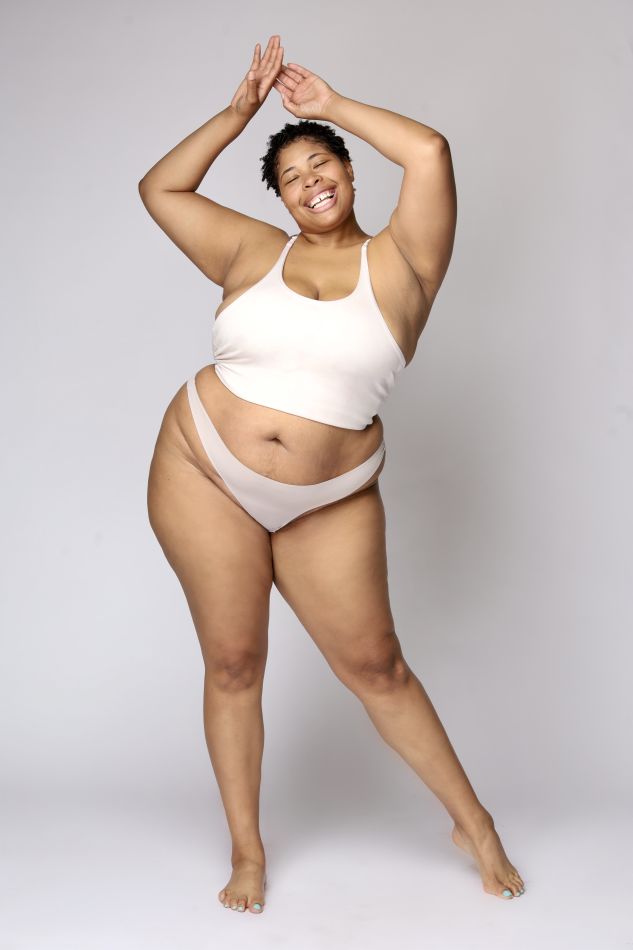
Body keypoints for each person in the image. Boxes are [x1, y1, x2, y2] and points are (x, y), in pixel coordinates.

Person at [138, 34, 525, 916]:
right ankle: (247, 852)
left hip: (329, 494)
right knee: (233, 662)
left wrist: (329, 106)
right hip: (203, 466)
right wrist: (237, 115)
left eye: (321, 163)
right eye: (291, 177)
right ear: (277, 199)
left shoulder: (405, 261)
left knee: (377, 666)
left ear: (348, 172)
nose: (309, 180)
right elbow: (161, 189)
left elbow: (429, 150)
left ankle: (475, 826)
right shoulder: (252, 251)